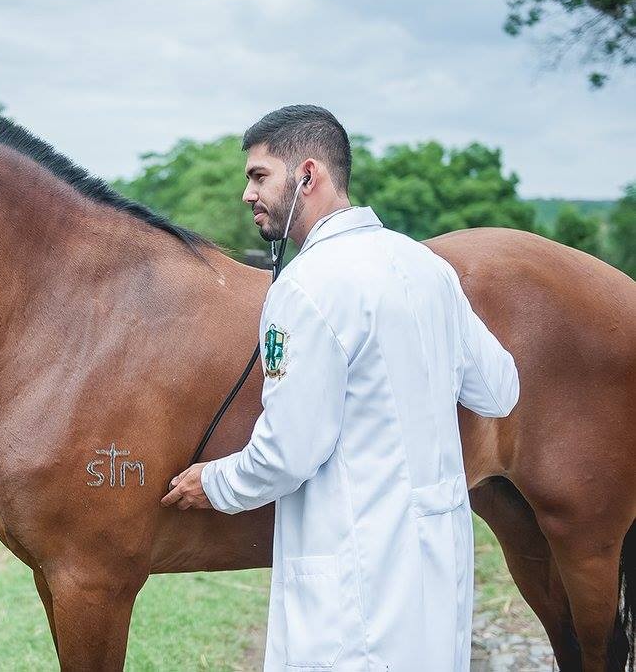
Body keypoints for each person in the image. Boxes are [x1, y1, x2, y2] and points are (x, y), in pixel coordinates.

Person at [160, 105, 520, 671]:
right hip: (436, 578)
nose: (247, 195)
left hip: (355, 593)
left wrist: (216, 482)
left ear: (307, 175)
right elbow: (499, 391)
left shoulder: (306, 287)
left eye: (259, 176)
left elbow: (288, 453)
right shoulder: (427, 269)